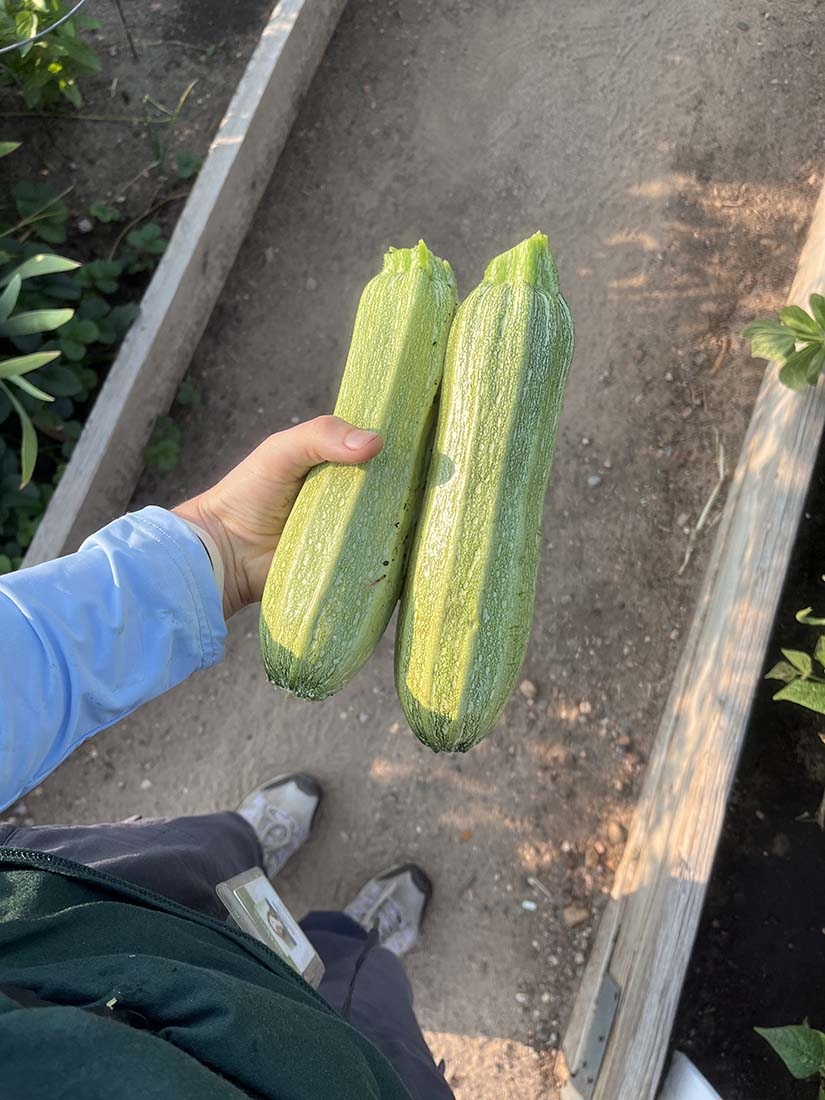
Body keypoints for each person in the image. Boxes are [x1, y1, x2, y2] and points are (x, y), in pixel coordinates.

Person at [0, 415, 454, 1100]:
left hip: (46, 914)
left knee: (195, 861)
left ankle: (249, 845)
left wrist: (212, 550)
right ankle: (359, 944)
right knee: (366, 1017)